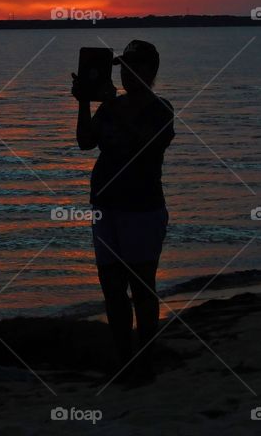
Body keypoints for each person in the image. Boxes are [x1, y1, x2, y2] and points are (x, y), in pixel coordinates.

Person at [72, 39, 174, 385]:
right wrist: (84, 101)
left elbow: (145, 144)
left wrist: (110, 105)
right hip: (106, 205)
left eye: (134, 67)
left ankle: (145, 360)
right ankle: (123, 360)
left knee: (142, 286)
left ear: (151, 70)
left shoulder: (160, 109)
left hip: (142, 208)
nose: (127, 74)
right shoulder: (111, 107)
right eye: (123, 68)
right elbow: (85, 141)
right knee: (112, 287)